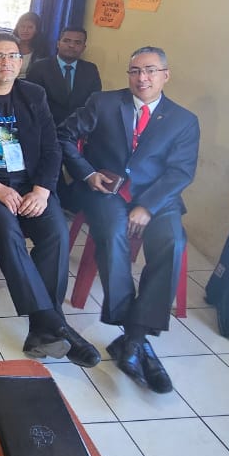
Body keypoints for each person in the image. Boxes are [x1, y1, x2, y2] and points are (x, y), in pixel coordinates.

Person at [0, 34, 99, 367]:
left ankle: (43, 329)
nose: (7, 62)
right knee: (7, 231)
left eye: (13, 56)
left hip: (29, 184)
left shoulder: (33, 95)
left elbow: (52, 148)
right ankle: (55, 324)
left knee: (56, 232)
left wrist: (42, 189)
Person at [58, 46, 200, 394]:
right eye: (135, 71)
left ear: (165, 75)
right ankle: (134, 337)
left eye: (150, 70)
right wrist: (87, 173)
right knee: (111, 234)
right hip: (106, 191)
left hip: (157, 198)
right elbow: (64, 135)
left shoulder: (183, 120)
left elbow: (180, 172)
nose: (142, 78)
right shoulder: (104, 103)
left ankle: (133, 338)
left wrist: (148, 206)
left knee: (172, 242)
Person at [26, 28, 101, 126]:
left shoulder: (90, 69)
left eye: (77, 42)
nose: (71, 45)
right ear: (58, 44)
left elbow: (94, 102)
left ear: (83, 48)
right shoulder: (39, 67)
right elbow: (30, 101)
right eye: (66, 41)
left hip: (79, 128)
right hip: (44, 125)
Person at [12, 11, 51, 76]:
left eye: (30, 27)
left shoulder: (41, 51)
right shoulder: (9, 45)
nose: (25, 30)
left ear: (36, 30)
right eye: (22, 26)